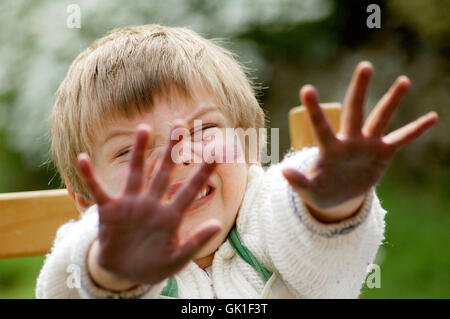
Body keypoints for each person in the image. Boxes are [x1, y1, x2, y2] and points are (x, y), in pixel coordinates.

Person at [36, 24, 437, 298]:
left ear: (250, 144)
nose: (178, 156)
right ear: (89, 201)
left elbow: (314, 246)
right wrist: (111, 268)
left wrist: (329, 206)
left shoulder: (266, 214)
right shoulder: (95, 254)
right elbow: (65, 283)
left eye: (201, 129)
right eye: (130, 152)